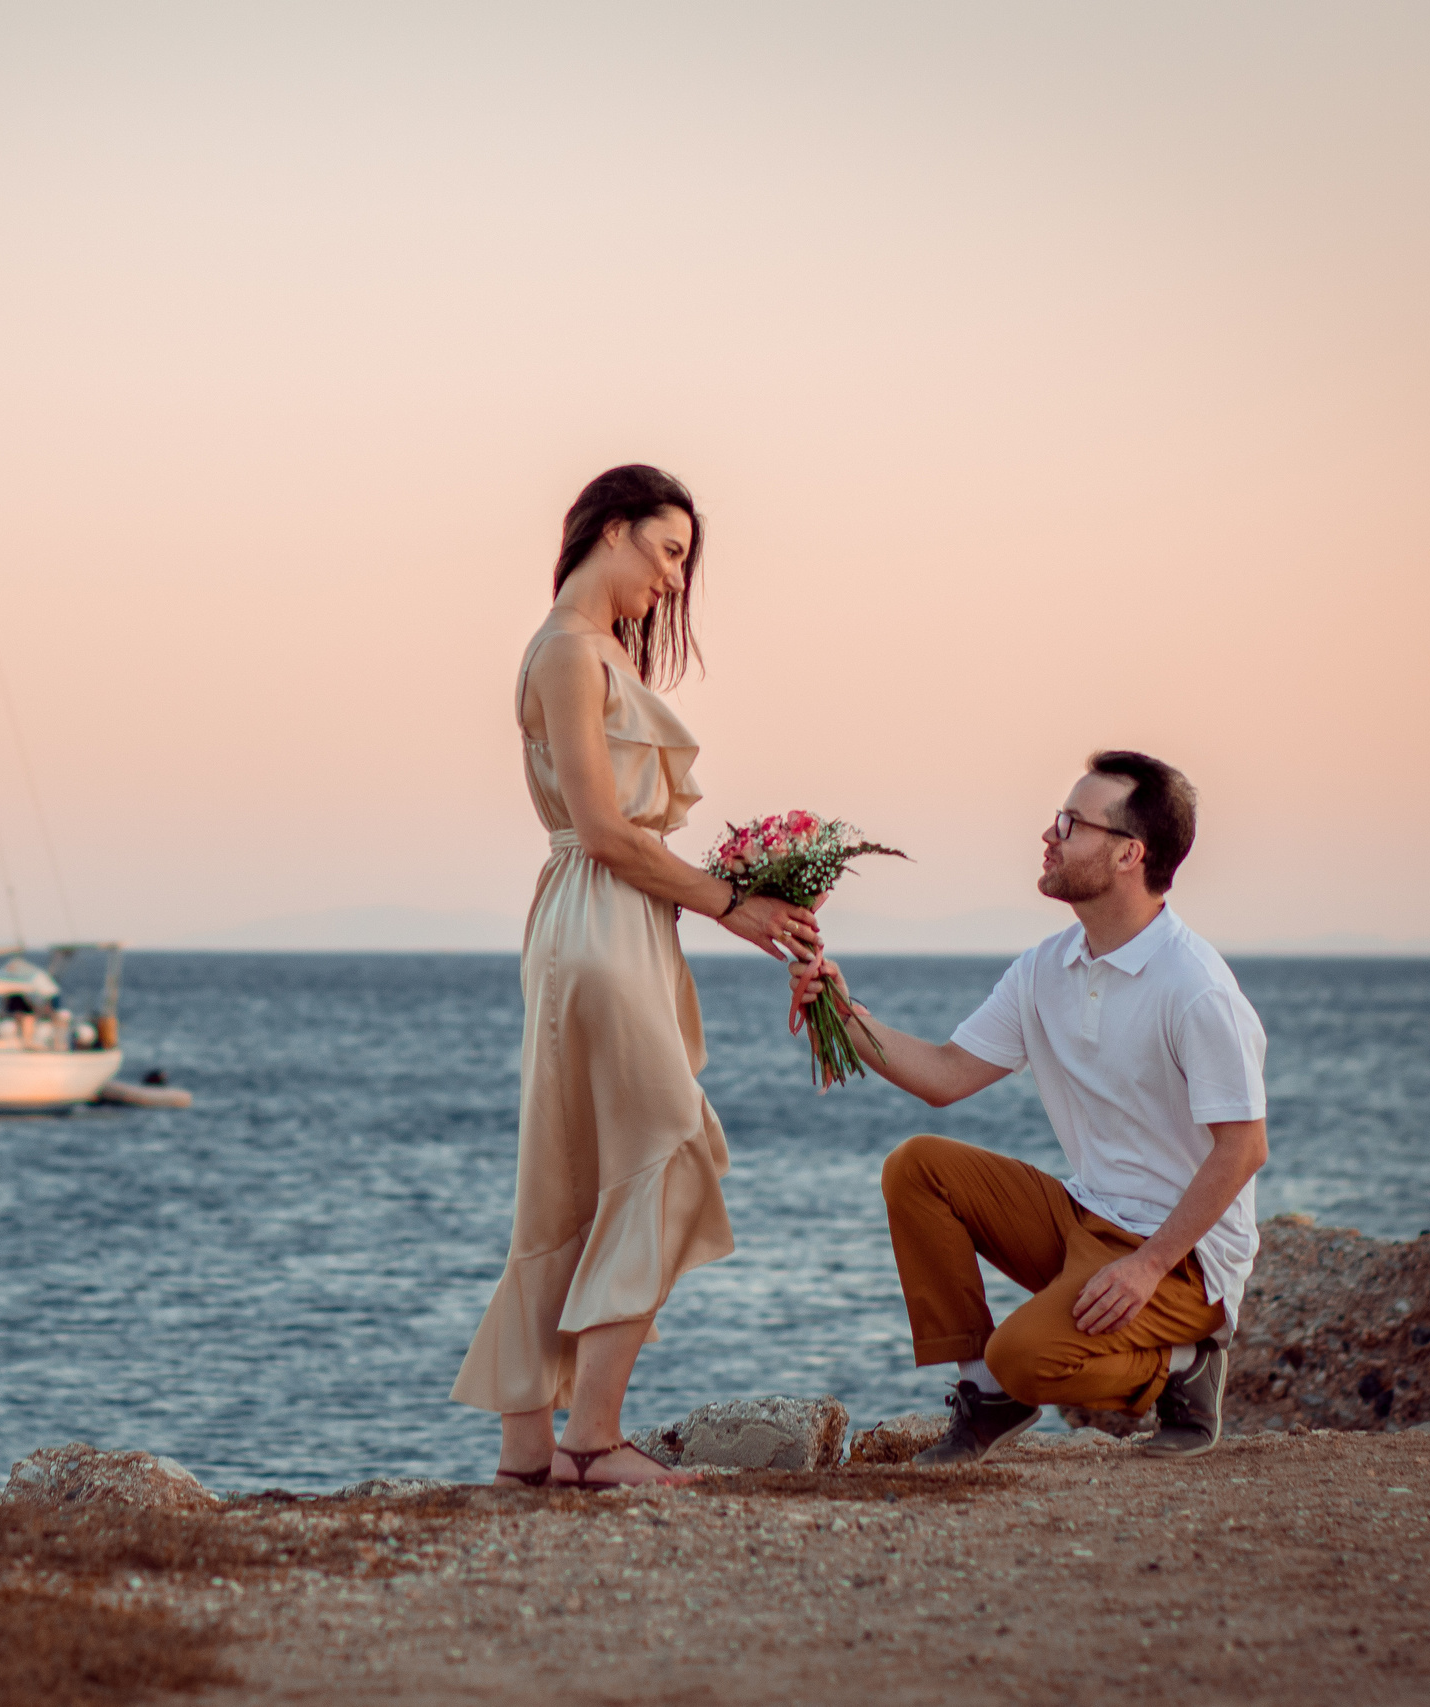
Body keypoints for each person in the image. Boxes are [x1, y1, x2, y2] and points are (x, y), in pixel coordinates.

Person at [450, 465, 823, 1489]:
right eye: (666, 552)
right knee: (670, 1151)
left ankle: (531, 1451)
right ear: (610, 530)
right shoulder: (568, 652)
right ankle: (593, 1441)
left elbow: (621, 841)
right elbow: (608, 832)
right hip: (596, 915)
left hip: (617, 921)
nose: (672, 580)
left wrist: (727, 905)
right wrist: (731, 905)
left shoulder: (592, 651)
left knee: (577, 1174)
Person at [791, 751, 1268, 1462]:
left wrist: (1145, 1267)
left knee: (1026, 1357)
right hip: (1085, 1213)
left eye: (1071, 823)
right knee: (918, 1167)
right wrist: (839, 1007)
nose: (1050, 835)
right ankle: (984, 1395)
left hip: (1182, 1256)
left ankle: (1185, 1367)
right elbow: (945, 1075)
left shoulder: (1195, 986)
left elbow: (1243, 1148)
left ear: (1129, 854)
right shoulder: (1046, 967)